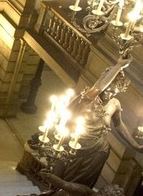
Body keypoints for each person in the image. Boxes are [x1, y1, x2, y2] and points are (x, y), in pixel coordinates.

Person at [53, 55, 143, 187]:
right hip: (75, 146)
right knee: (62, 179)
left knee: (84, 183)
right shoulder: (88, 99)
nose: (109, 95)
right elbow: (98, 88)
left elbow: (119, 125)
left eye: (114, 93)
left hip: (98, 150)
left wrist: (135, 145)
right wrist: (118, 66)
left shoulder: (114, 104)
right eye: (108, 91)